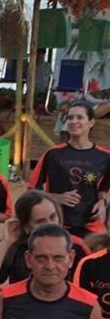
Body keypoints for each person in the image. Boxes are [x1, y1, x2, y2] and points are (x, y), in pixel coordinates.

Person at [29, 101, 110, 237]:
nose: (73, 121)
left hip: (91, 225)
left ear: (91, 122)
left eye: (79, 117)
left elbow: (104, 186)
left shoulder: (105, 156)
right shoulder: (53, 154)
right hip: (59, 225)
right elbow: (31, 192)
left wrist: (102, 200)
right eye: (70, 118)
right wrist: (56, 198)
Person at [0, 190, 90, 287]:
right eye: (41, 222)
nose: (51, 224)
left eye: (53, 217)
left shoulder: (76, 246)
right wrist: (5, 243)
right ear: (26, 227)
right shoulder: (15, 248)